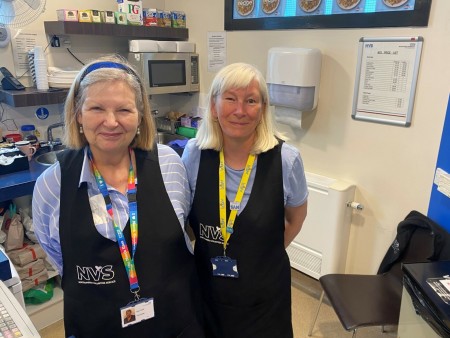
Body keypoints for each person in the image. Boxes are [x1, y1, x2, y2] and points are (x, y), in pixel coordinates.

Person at [32, 55, 204, 337]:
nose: (111, 122)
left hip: (174, 324)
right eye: (97, 108)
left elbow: (185, 235)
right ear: (78, 114)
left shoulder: (169, 164)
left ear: (139, 116)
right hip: (96, 327)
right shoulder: (52, 185)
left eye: (123, 110)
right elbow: (61, 260)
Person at [182, 62, 308, 338]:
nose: (240, 110)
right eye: (230, 98)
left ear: (262, 109)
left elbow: (296, 218)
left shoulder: (286, 160)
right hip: (208, 292)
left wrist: (262, 252)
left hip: (265, 297)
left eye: (251, 101)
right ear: (213, 106)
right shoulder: (194, 155)